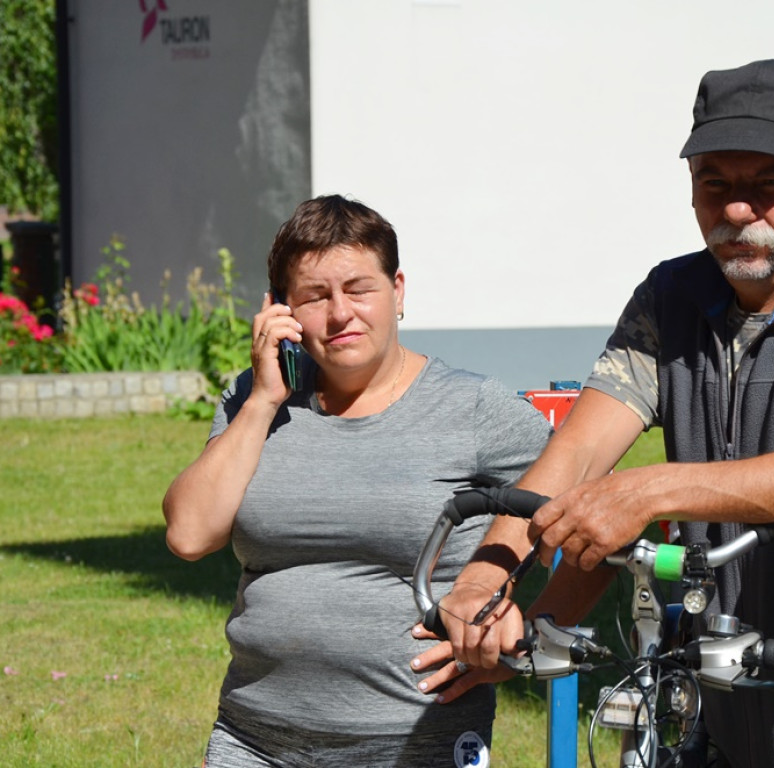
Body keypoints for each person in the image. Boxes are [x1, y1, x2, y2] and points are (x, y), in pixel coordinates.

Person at [412, 59, 774, 768]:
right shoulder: (672, 297)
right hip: (739, 725)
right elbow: (577, 456)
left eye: (766, 185)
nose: (738, 210)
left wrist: (654, 488)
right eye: (714, 184)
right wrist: (488, 579)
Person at [162, 195, 551, 768]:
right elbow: (190, 534)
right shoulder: (256, 399)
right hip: (254, 739)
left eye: (359, 289)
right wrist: (266, 399)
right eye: (315, 297)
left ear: (397, 290)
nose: (340, 313)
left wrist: (520, 641)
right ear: (281, 311)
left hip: (416, 742)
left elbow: (578, 498)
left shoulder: (472, 407)